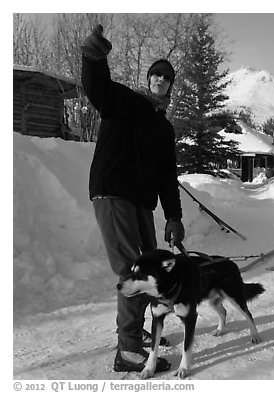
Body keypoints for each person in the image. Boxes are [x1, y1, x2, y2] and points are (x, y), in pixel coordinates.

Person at [81, 25, 185, 372]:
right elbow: (98, 91)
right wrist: (94, 59)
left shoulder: (164, 128)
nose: (160, 79)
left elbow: (168, 178)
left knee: (150, 268)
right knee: (133, 270)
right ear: (148, 78)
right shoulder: (127, 102)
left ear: (171, 85)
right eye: (155, 74)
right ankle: (127, 349)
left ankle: (135, 332)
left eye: (166, 77)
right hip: (113, 191)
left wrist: (174, 216)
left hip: (141, 201)